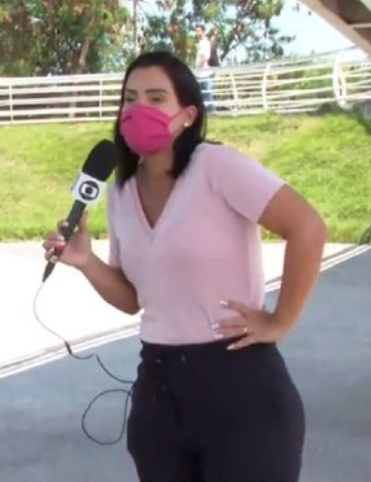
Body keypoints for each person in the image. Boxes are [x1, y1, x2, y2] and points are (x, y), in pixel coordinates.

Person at [43, 50, 327, 482]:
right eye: (130, 98)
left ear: (187, 115)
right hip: (158, 393)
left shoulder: (217, 167)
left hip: (240, 385)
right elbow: (133, 299)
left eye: (157, 98)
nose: (139, 109)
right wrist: (86, 262)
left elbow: (307, 227)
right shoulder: (120, 193)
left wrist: (280, 320)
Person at [194, 24, 215, 112]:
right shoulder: (201, 43)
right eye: (196, 31)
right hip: (201, 74)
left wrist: (198, 66)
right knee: (203, 95)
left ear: (203, 32)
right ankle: (206, 112)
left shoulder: (205, 42)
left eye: (198, 31)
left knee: (207, 94)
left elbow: (206, 57)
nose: (197, 33)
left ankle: (211, 112)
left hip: (205, 73)